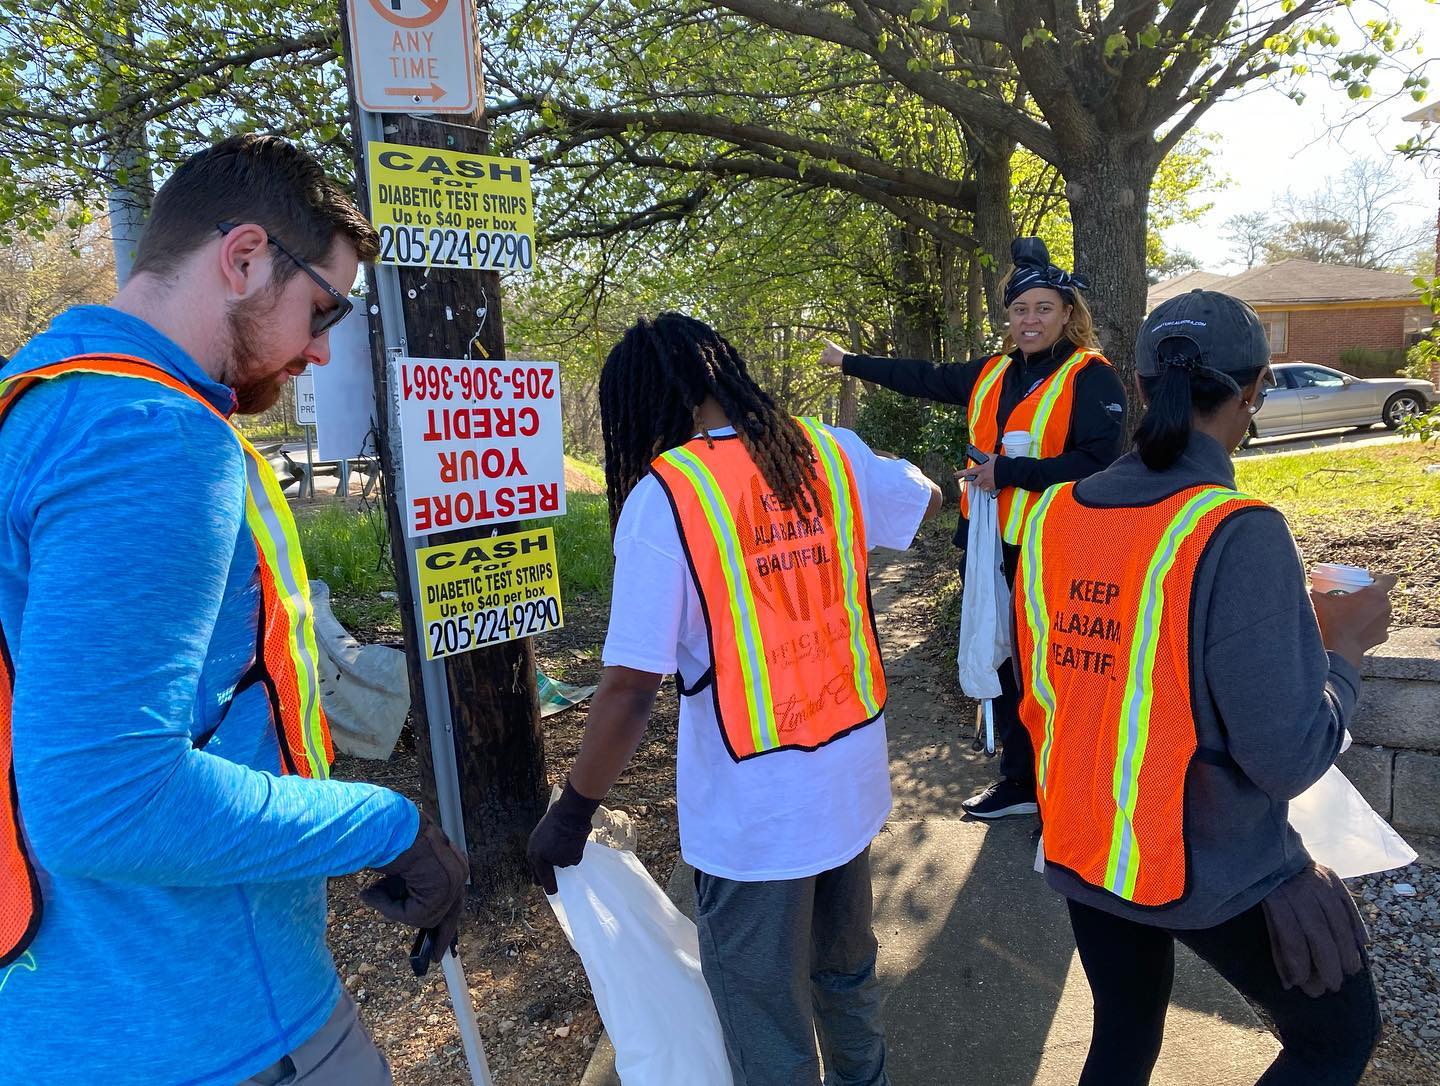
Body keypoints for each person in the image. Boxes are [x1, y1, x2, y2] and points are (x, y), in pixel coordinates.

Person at [0, 134, 468, 1085]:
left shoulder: (34, 406)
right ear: (245, 256)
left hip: (66, 1007)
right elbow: (105, 804)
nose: (320, 347)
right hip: (207, 1026)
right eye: (322, 307)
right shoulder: (151, 437)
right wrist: (391, 824)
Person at [527, 313, 941, 1086]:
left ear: (655, 400)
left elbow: (627, 691)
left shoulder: (670, 497)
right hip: (850, 785)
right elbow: (922, 498)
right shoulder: (828, 450)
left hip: (757, 822)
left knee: (762, 1012)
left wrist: (572, 812)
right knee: (846, 974)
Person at [1012, 289, 1387, 1085]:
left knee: (1123, 1033)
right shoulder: (1236, 530)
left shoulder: (1051, 518)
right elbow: (1287, 758)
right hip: (1200, 864)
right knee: (1339, 1035)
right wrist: (1343, 650)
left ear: (1143, 385)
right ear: (1253, 394)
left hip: (1087, 841)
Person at [819, 237, 1128, 819]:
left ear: (1067, 314)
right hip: (989, 546)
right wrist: (849, 362)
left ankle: (1071, 793)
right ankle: (1019, 782)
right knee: (1004, 657)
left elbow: (1098, 463)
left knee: (1058, 665)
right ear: (1007, 320)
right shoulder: (992, 372)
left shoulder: (1092, 377)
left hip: (1059, 545)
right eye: (1019, 310)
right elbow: (923, 376)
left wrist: (1008, 470)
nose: (1030, 320)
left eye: (1042, 308)